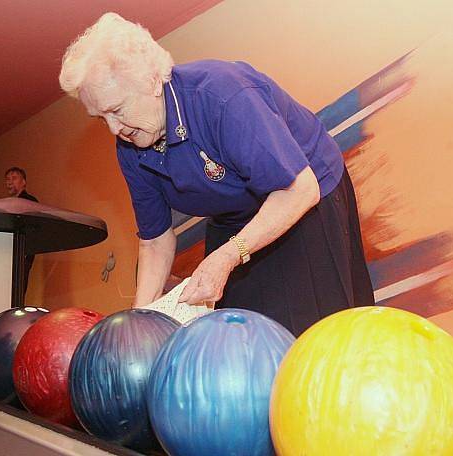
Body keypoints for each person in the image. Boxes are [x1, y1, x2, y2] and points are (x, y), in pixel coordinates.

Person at [59, 13, 374, 336]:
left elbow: (298, 189)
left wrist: (227, 256)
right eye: (101, 119)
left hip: (304, 194)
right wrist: (140, 323)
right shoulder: (130, 145)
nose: (114, 129)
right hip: (235, 215)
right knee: (234, 335)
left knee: (309, 335)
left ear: (152, 81)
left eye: (116, 110)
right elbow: (155, 241)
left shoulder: (222, 96)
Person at [5, 166, 38, 293]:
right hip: (8, 251)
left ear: (24, 182)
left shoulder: (30, 202)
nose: (9, 182)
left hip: (22, 250)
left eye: (14, 178)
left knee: (17, 288)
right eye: (7, 179)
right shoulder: (8, 203)